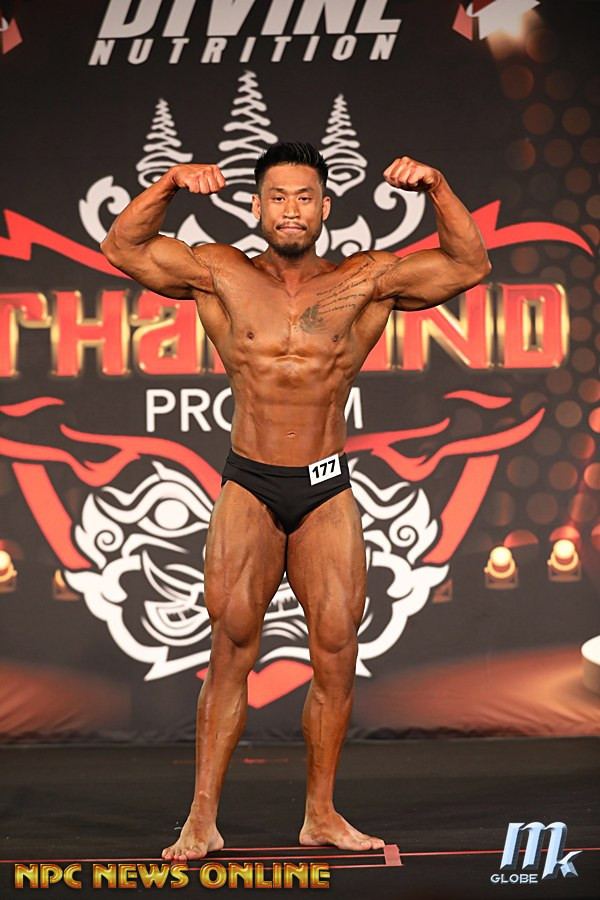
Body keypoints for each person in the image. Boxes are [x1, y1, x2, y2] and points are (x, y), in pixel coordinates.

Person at [100, 142, 491, 861]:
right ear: (256, 206)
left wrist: (438, 186)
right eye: (277, 197)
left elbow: (469, 265)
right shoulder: (219, 271)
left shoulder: (366, 278)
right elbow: (122, 247)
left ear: (324, 208)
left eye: (305, 197)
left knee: (337, 650)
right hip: (249, 482)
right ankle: (201, 819)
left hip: (325, 487)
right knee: (230, 649)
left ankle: (321, 814)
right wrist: (169, 184)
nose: (291, 210)